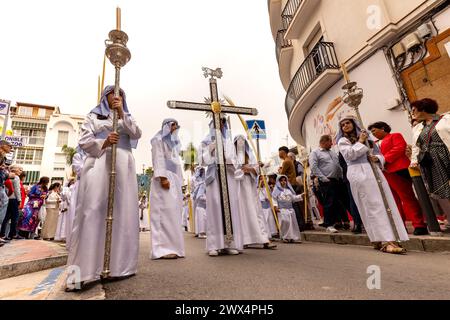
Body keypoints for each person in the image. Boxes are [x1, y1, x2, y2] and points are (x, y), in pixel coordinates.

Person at [67, 86, 142, 289]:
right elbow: (84, 140)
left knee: (122, 213)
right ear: (105, 96)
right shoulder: (94, 116)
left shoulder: (127, 116)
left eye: (121, 94)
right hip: (100, 162)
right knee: (92, 212)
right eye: (112, 93)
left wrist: (122, 113)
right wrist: (104, 141)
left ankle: (118, 267)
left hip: (124, 167)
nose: (116, 97)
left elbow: (136, 133)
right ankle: (83, 272)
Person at [337, 116, 409, 254]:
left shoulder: (367, 138)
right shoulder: (343, 141)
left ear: (353, 124)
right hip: (358, 172)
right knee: (372, 205)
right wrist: (361, 142)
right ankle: (384, 240)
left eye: (348, 123)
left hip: (374, 171)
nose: (345, 125)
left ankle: (391, 237)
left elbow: (379, 154)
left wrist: (378, 159)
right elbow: (350, 155)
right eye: (343, 125)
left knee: (384, 203)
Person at [369, 121, 428, 235]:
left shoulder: (395, 136)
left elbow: (399, 148)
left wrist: (382, 159)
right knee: (393, 201)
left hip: (397, 170)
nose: (373, 133)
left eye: (374, 130)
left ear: (383, 128)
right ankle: (400, 226)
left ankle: (419, 224)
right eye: (371, 132)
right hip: (384, 173)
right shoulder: (374, 143)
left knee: (407, 198)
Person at [201, 116, 243, 257]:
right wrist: (210, 150)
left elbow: (236, 161)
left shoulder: (229, 142)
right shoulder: (206, 141)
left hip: (228, 178)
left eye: (223, 122)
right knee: (215, 207)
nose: (221, 124)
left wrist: (229, 161)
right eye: (218, 121)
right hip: (214, 178)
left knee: (229, 208)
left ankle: (229, 243)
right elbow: (202, 161)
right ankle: (214, 245)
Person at [149, 118, 185, 260]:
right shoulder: (158, 139)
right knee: (163, 213)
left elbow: (177, 165)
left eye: (176, 125)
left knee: (173, 214)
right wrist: (163, 177)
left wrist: (178, 181)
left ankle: (174, 247)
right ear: (167, 126)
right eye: (173, 125)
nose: (175, 128)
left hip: (174, 180)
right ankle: (162, 249)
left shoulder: (174, 144)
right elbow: (158, 159)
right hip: (163, 179)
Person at [234, 135, 275, 249]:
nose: (241, 145)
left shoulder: (250, 156)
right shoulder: (233, 157)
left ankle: (264, 239)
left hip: (251, 188)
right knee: (243, 213)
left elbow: (255, 169)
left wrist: (251, 169)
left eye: (242, 142)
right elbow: (233, 172)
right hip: (240, 189)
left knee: (256, 212)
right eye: (238, 143)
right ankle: (245, 240)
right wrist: (243, 170)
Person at [410, 98, 450, 202]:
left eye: (414, 110)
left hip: (446, 155)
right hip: (432, 162)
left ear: (423, 109)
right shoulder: (418, 127)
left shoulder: (445, 119)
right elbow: (416, 146)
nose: (412, 113)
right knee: (446, 190)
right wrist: (414, 160)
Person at [309, 135, 349, 233]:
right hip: (327, 181)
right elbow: (314, 167)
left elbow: (338, 165)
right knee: (329, 202)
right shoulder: (315, 152)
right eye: (330, 142)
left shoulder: (332, 152)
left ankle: (340, 222)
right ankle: (329, 224)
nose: (332, 144)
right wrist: (323, 178)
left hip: (338, 180)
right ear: (324, 141)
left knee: (340, 201)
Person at [278, 146, 305, 230]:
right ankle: (300, 224)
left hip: (290, 185)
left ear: (283, 152)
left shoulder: (286, 161)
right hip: (292, 184)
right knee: (295, 205)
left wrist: (279, 172)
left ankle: (300, 225)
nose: (279, 154)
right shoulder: (288, 161)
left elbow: (281, 175)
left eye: (279, 152)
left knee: (293, 206)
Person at [65, 147, 87, 249]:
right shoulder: (78, 156)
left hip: (92, 185)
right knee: (77, 212)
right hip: (81, 187)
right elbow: (79, 170)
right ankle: (74, 243)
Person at [272, 175, 302, 243]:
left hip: (290, 209)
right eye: (281, 180)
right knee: (285, 222)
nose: (283, 182)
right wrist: (275, 206)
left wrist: (301, 196)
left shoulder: (289, 190)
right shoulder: (276, 190)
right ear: (279, 182)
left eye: (284, 180)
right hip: (282, 209)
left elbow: (293, 198)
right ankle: (285, 236)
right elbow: (274, 199)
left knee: (292, 223)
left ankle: (292, 237)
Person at [258, 175, 278, 239]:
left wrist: (268, 198)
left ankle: (270, 234)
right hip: (261, 206)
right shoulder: (257, 188)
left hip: (267, 205)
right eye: (261, 179)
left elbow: (270, 195)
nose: (262, 181)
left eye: (263, 179)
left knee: (269, 220)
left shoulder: (267, 188)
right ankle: (265, 235)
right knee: (264, 220)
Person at [192, 166, 207, 239]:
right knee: (201, 217)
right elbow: (198, 194)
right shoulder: (200, 182)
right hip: (201, 201)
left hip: (201, 201)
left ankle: (200, 232)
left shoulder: (202, 181)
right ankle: (201, 232)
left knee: (202, 216)